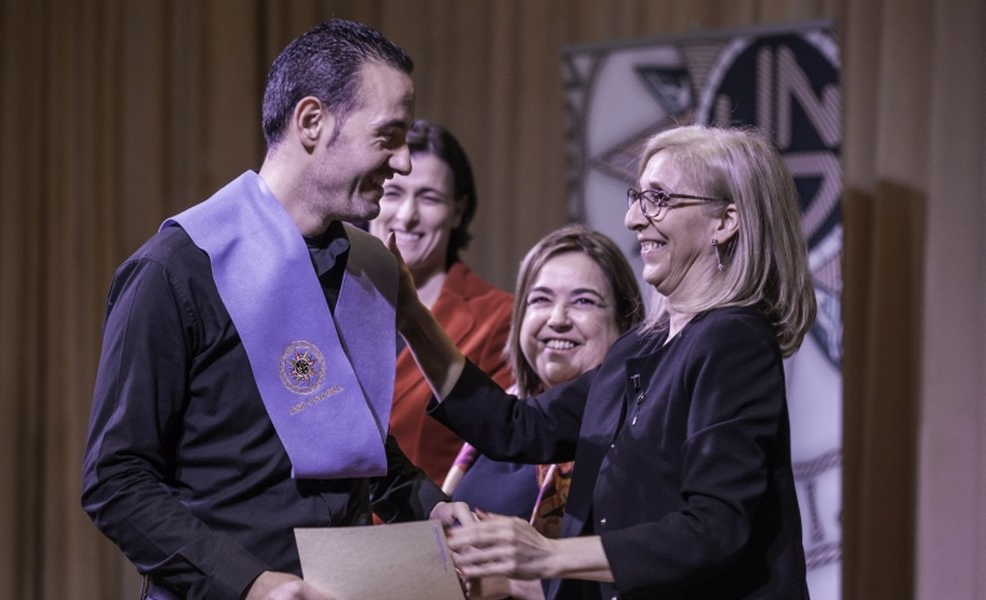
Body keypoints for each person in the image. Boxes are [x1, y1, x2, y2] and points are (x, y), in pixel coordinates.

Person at [81, 19, 470, 600]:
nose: (404, 163)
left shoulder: (368, 267)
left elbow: (352, 445)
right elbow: (115, 481)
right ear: (311, 121)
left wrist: (429, 508)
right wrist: (252, 585)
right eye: (388, 137)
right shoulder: (175, 270)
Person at [391, 124, 817, 599]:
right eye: (637, 198)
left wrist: (547, 554)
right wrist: (411, 316)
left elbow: (714, 527)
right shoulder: (639, 349)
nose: (633, 219)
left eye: (658, 199)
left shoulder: (733, 340)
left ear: (725, 221)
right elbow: (515, 427)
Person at [443, 224, 644, 600]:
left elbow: (649, 568)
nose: (557, 318)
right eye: (540, 299)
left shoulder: (635, 435)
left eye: (583, 301)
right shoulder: (501, 416)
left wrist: (518, 584)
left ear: (624, 324)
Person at [368, 120, 513, 486]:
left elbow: (496, 457)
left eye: (429, 197)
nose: (407, 216)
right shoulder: (324, 298)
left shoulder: (499, 319)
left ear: (458, 212)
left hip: (424, 518)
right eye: (393, 192)